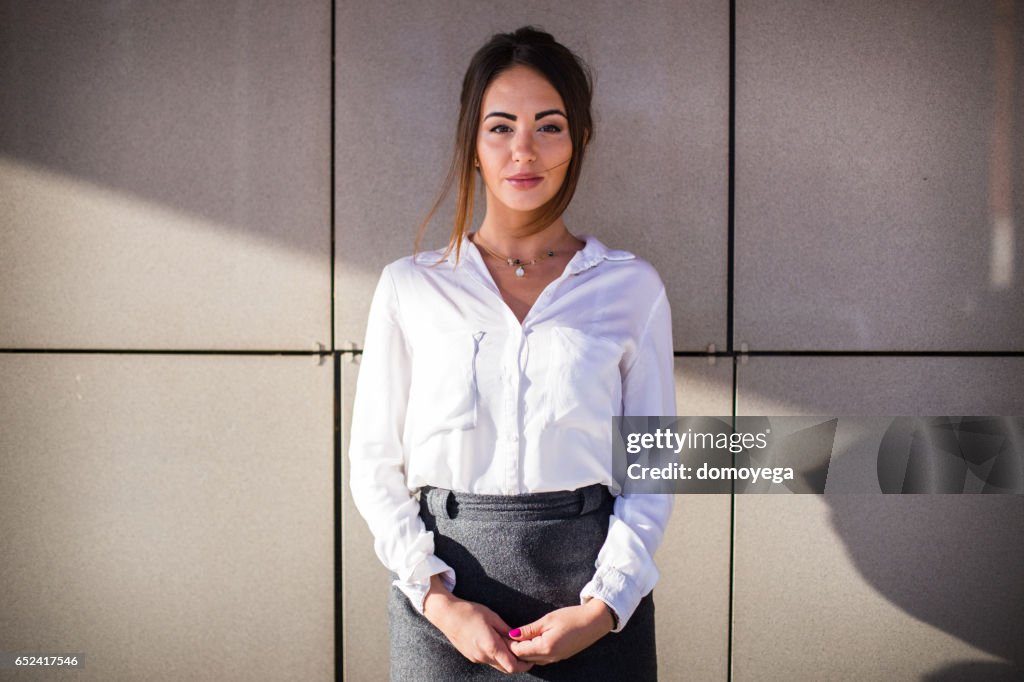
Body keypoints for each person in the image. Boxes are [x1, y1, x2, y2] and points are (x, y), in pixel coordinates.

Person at [348, 26, 675, 680]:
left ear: (579, 140)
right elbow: (373, 463)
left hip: (592, 602)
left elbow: (653, 467)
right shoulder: (410, 286)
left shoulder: (630, 287)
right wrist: (440, 602)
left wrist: (607, 606)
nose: (524, 150)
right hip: (442, 602)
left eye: (548, 126)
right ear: (472, 143)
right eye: (500, 127)